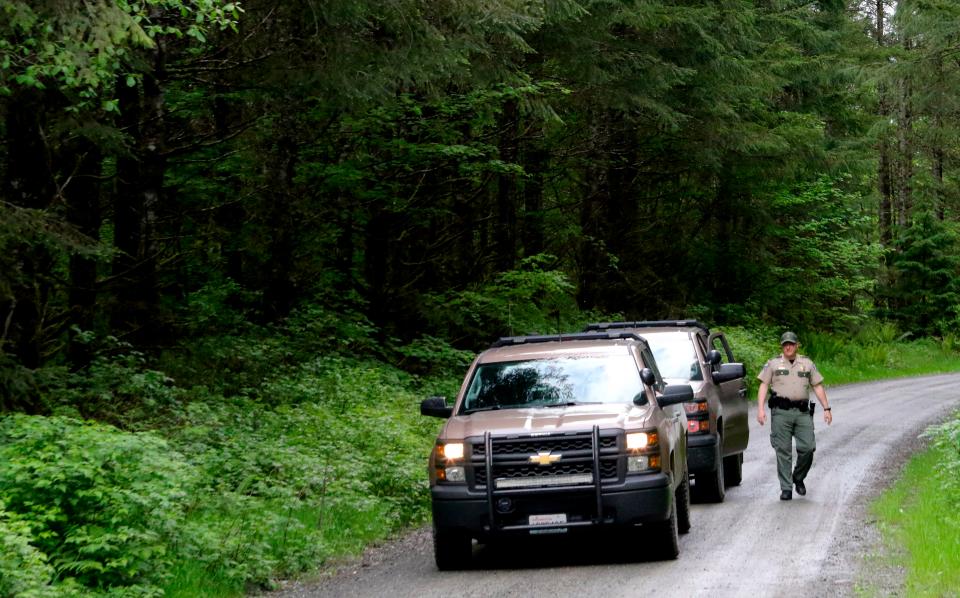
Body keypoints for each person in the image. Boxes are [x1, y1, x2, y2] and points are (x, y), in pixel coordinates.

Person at [756, 331, 832, 500]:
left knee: (808, 448)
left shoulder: (807, 364)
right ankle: (786, 488)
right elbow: (763, 385)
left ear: (797, 345)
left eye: (791, 343)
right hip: (781, 413)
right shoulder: (773, 364)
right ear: (782, 346)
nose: (788, 347)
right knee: (782, 450)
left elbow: (817, 386)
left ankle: (798, 477)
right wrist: (760, 409)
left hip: (802, 413)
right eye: (785, 344)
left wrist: (826, 408)